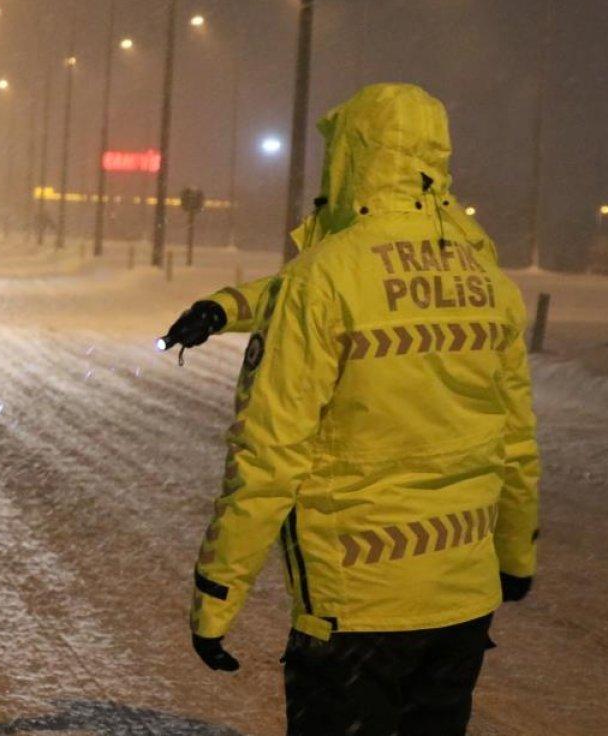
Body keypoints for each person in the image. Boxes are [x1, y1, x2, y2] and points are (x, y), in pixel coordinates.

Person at [168, 84, 540, 736]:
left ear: (349, 159)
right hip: (462, 600)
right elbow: (516, 442)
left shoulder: (326, 275)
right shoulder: (484, 277)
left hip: (357, 605)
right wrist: (515, 556)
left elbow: (269, 456)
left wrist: (217, 596)